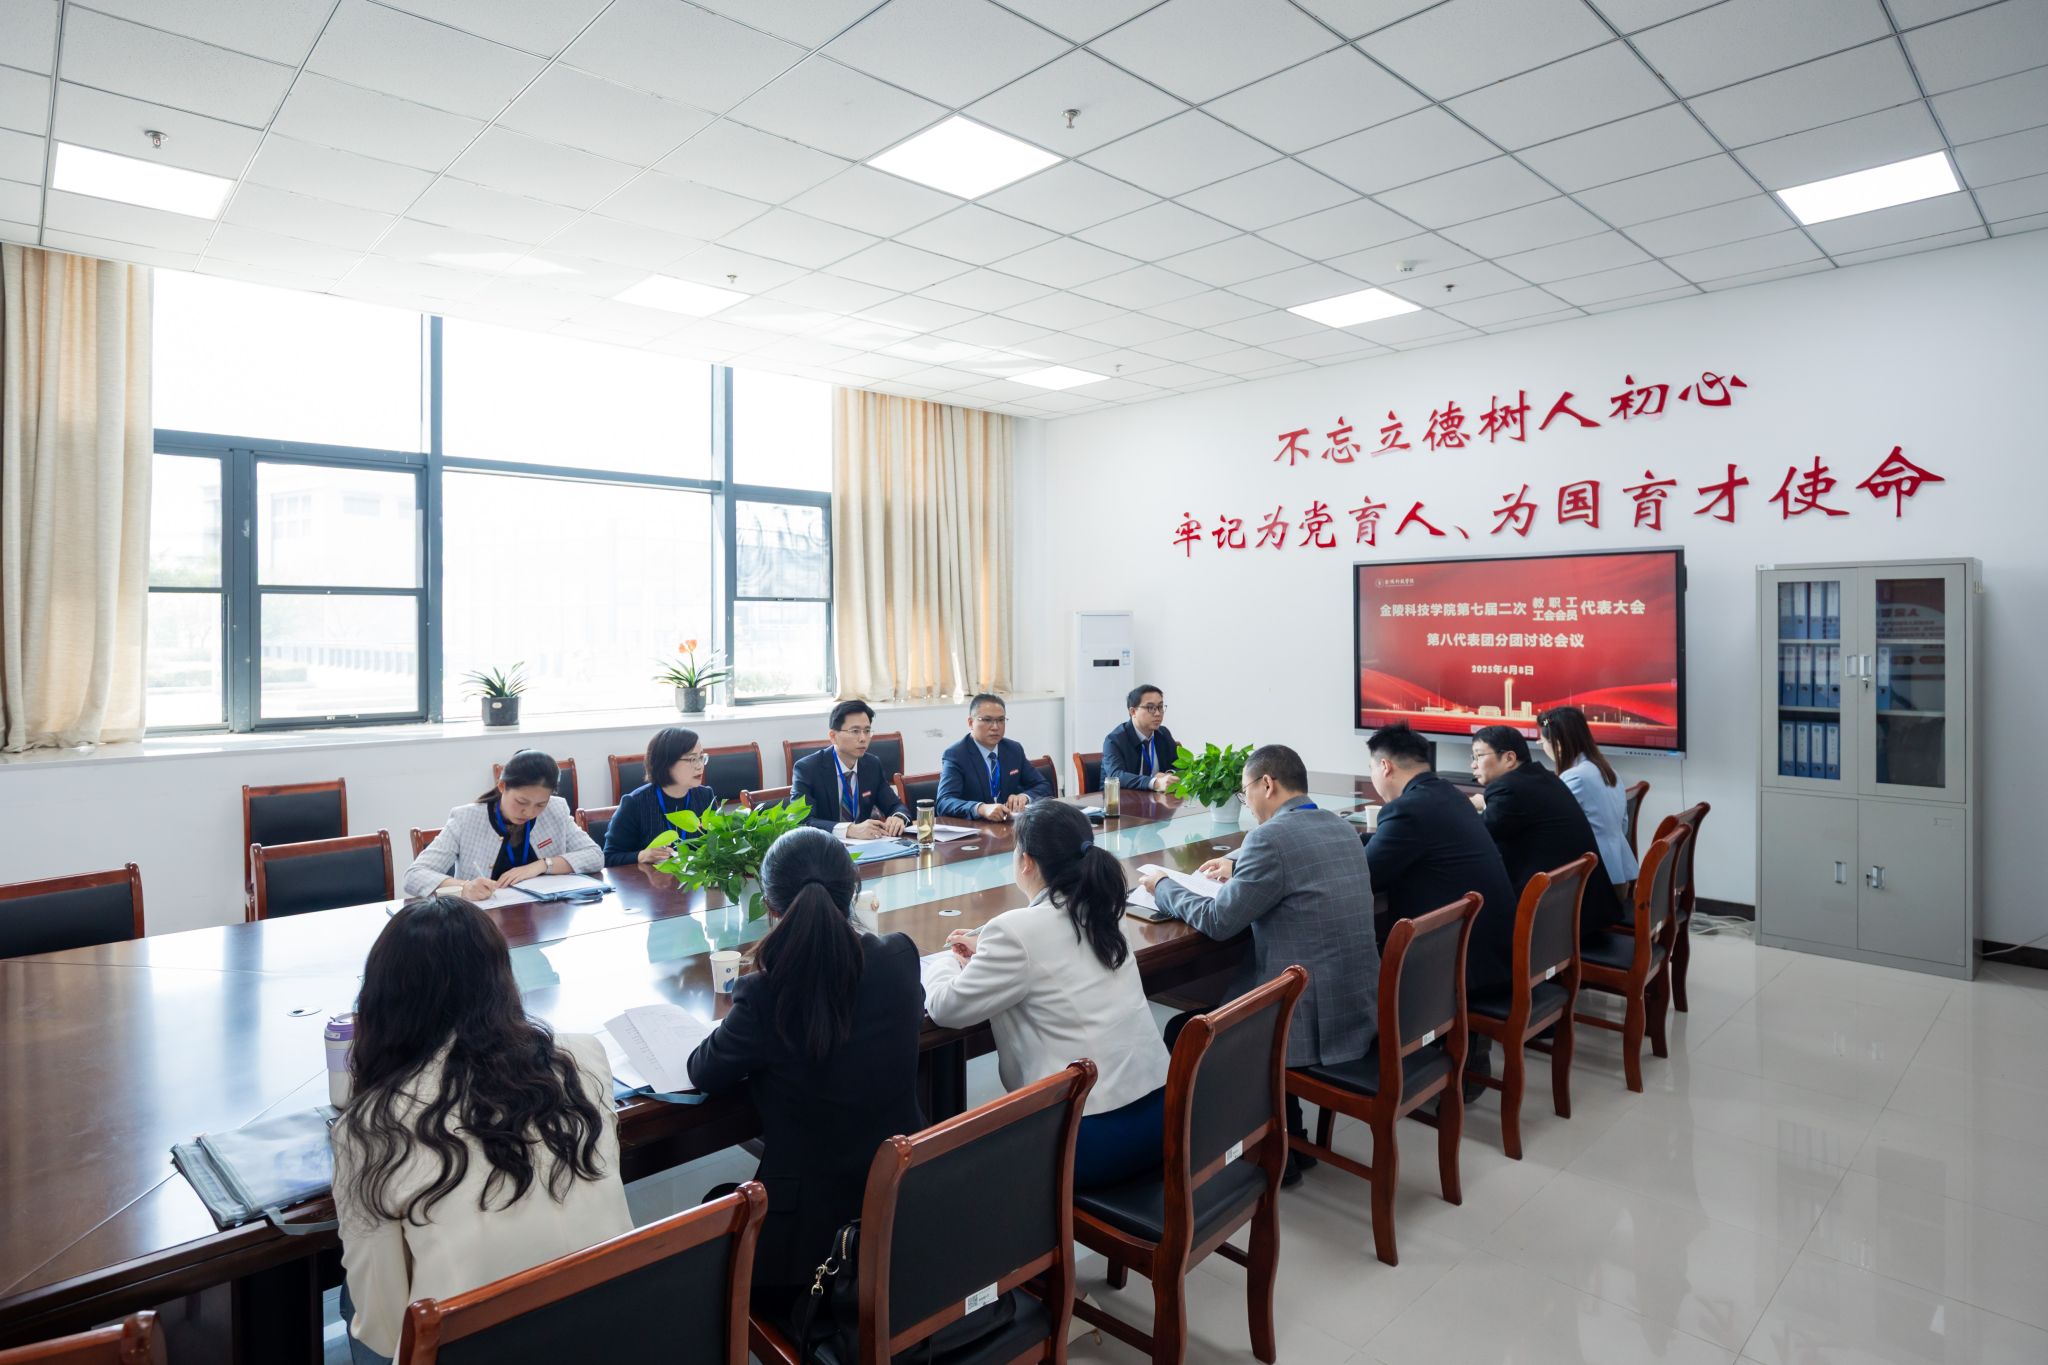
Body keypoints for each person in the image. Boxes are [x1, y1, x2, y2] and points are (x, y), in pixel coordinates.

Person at [331, 896, 631, 1365]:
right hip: (620, 1331)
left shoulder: (370, 1125)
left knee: (354, 1301)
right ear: (502, 979)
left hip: (477, 1346)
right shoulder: (582, 1058)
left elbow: (385, 1329)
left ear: (382, 1000)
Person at [686, 828, 926, 1320]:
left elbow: (703, 1070)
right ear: (853, 890)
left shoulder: (764, 992)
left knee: (707, 1221)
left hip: (807, 1253)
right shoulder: (899, 957)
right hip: (905, 1205)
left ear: (771, 906)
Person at [1139, 744, 1379, 1186]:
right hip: (1354, 1005)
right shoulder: (1340, 827)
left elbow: (1219, 921)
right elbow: (1298, 868)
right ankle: (1289, 1139)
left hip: (1305, 1019)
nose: (1246, 801)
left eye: (1245, 790)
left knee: (1184, 1030)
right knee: (1243, 989)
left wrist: (1164, 886)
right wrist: (1236, 864)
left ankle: (1247, 1149)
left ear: (1267, 784)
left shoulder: (1268, 839)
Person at [924, 801, 1171, 1189]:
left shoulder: (1015, 932)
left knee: (966, 1165)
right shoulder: (1104, 907)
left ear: (1026, 862)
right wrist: (986, 951)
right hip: (1162, 1114)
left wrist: (944, 963)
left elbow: (945, 1009)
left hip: (1089, 1137)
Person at [1365, 724, 1514, 1098]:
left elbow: (1366, 875)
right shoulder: (1447, 794)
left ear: (1384, 766)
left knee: (1358, 954)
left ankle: (1381, 1060)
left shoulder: (1407, 810)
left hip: (1465, 959)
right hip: (1493, 945)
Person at [1468, 726, 1619, 938]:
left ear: (1509, 758)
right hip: (1582, 911)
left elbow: (1476, 839)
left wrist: (1458, 811)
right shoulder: (1543, 777)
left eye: (1479, 756)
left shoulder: (1509, 789)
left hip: (1553, 923)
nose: (1473, 764)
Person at [403, 750, 601, 900]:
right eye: (521, 802)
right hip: (483, 922)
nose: (529, 812)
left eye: (540, 804)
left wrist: (541, 865)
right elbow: (414, 876)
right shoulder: (466, 819)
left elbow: (595, 855)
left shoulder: (555, 810)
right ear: (502, 786)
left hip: (545, 917)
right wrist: (465, 888)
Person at [1540, 706, 1641, 909]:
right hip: (1617, 874)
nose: (1541, 746)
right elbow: (1623, 825)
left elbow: (1549, 824)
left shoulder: (1576, 776)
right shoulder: (1606, 770)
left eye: (1542, 741)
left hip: (1595, 881)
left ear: (1557, 744)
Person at [790, 700, 908, 839]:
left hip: (867, 846)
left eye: (867, 731)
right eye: (855, 731)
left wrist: (898, 817)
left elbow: (895, 806)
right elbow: (801, 822)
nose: (863, 738)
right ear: (833, 736)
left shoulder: (872, 765)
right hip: (825, 847)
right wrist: (849, 830)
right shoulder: (807, 769)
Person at [603, 727, 718, 867]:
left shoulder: (705, 796)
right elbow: (608, 857)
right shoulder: (635, 803)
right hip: (649, 880)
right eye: (692, 759)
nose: (700, 766)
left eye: (701, 757)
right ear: (666, 763)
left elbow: (717, 847)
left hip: (695, 880)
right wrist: (641, 855)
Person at [935, 693, 1054, 822]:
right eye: (987, 720)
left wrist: (1025, 797)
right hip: (977, 828)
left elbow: (1043, 785)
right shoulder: (956, 755)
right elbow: (944, 802)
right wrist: (980, 808)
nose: (995, 727)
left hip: (1010, 826)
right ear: (970, 722)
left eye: (1001, 720)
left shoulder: (1013, 749)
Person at [1102, 684, 1184, 793]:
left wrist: (1169, 775)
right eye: (1150, 708)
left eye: (1160, 707)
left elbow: (1180, 765)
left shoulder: (1163, 734)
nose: (1158, 713)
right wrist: (1154, 782)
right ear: (1133, 712)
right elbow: (1116, 776)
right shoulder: (1114, 740)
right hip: (1120, 800)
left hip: (1155, 799)